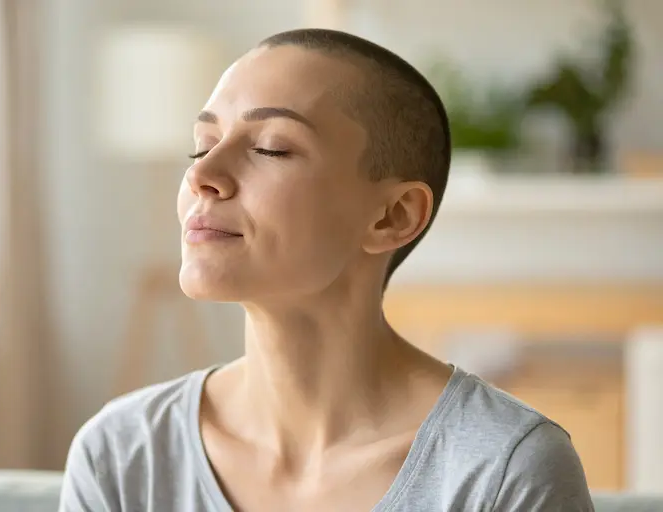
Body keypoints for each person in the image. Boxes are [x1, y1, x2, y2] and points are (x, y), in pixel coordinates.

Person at [60, 28, 593, 511]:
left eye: (271, 148)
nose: (202, 174)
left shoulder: (502, 471)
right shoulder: (122, 455)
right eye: (200, 145)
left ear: (392, 216)